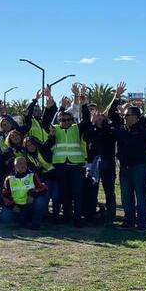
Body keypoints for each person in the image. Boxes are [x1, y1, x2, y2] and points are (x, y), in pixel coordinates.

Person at [42, 86, 91, 227]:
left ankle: (77, 218)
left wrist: (84, 103)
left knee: (77, 193)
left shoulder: (77, 128)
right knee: (63, 193)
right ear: (58, 120)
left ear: (72, 120)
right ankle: (64, 216)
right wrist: (49, 102)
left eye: (68, 119)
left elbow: (86, 120)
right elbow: (45, 122)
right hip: (60, 165)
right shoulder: (54, 129)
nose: (65, 121)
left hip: (76, 166)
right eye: (62, 119)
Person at [109, 102, 146, 231]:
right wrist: (117, 98)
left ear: (136, 117)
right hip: (124, 167)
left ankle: (142, 223)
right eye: (124, 115)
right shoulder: (121, 129)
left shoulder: (144, 130)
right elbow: (111, 115)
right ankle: (129, 222)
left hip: (140, 167)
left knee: (141, 195)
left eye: (127, 115)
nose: (124, 117)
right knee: (126, 196)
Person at [1, 157, 49, 229]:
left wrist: (32, 194)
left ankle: (35, 222)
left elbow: (44, 188)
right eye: (20, 163)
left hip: (30, 205)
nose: (23, 165)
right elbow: (4, 195)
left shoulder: (33, 176)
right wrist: (12, 206)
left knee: (40, 201)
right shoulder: (9, 179)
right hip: (17, 207)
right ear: (15, 167)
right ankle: (23, 219)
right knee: (4, 218)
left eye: (24, 163)